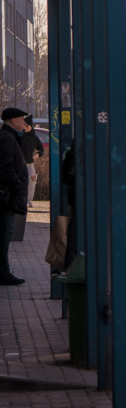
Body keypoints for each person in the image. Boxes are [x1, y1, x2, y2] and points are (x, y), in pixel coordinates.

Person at [0, 107, 31, 285]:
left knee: (5, 234)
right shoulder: (6, 139)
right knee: (4, 234)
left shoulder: (11, 137)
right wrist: (17, 184)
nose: (23, 123)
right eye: (21, 119)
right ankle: (3, 273)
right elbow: (5, 167)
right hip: (6, 197)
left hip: (7, 195)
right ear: (12, 120)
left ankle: (3, 271)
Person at [19, 115, 42, 208]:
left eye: (27, 125)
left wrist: (38, 154)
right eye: (24, 125)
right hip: (20, 163)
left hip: (30, 163)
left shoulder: (34, 137)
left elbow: (41, 149)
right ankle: (22, 200)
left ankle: (29, 200)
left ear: (31, 126)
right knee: (21, 182)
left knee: (32, 180)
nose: (25, 127)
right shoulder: (20, 135)